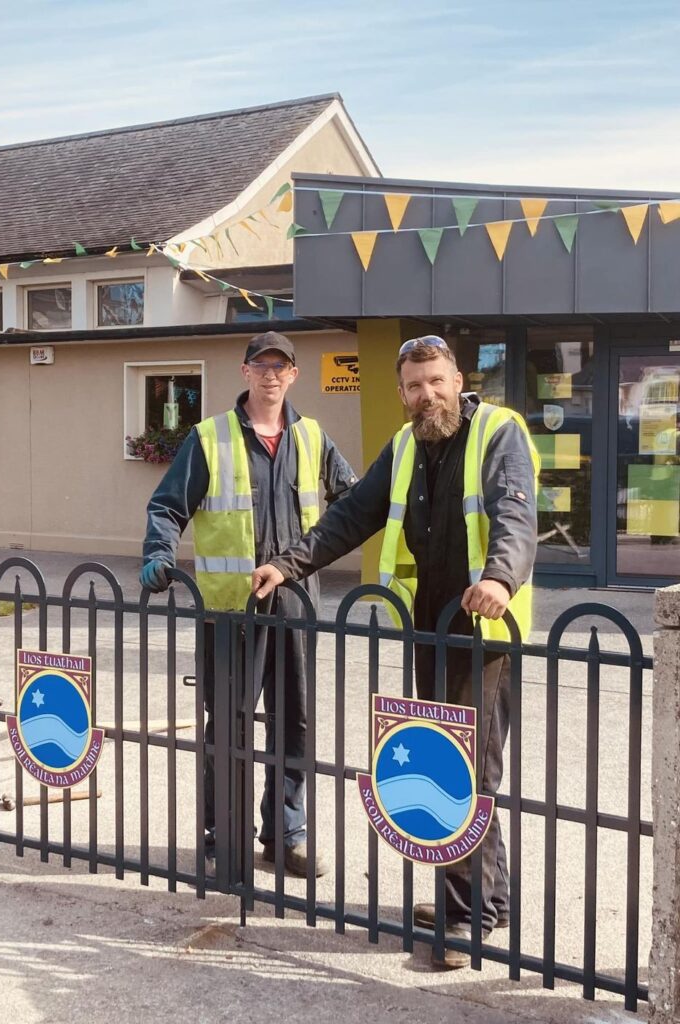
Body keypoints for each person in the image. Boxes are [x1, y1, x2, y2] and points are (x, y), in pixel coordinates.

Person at [251, 335, 538, 966]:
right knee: (453, 761)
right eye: (414, 385)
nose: (427, 394)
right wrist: (288, 564)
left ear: (458, 378)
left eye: (436, 380)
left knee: (464, 771)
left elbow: (516, 513)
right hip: (427, 629)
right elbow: (351, 514)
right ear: (401, 391)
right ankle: (489, 898)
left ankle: (465, 922)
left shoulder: (498, 432)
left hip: (482, 634)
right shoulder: (407, 444)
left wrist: (499, 576)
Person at [140, 331, 356, 877]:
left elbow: (353, 503)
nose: (270, 375)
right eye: (260, 366)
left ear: (293, 375)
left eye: (279, 366)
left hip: (293, 602)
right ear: (244, 372)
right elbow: (167, 506)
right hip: (231, 609)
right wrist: (158, 552)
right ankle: (222, 834)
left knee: (293, 722)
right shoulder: (209, 437)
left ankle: (286, 835)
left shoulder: (312, 439)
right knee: (229, 723)